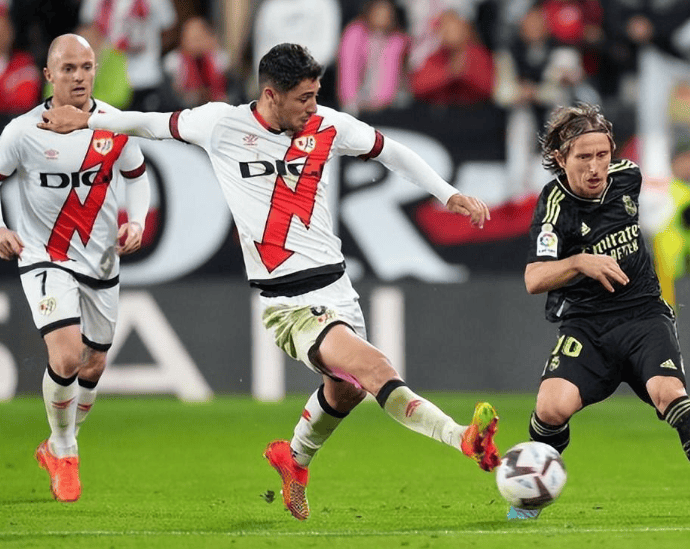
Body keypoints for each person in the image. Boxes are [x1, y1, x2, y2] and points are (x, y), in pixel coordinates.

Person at [39, 42, 501, 520]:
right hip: (288, 302)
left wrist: (447, 194)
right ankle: (462, 438)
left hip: (338, 289)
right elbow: (149, 124)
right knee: (374, 367)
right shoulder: (221, 124)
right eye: (304, 98)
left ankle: (294, 460)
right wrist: (86, 120)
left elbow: (391, 151)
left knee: (346, 391)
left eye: (316, 95)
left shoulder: (327, 125)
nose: (313, 107)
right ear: (270, 95)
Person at [518, 103, 690, 520]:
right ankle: (529, 499)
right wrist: (580, 262)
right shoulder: (554, 206)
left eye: (602, 155)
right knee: (551, 408)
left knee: (671, 394)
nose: (596, 167)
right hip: (587, 326)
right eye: (584, 157)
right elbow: (534, 278)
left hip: (643, 315)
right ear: (560, 158)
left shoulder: (628, 177)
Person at [0, 34, 151, 502]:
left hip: (100, 259)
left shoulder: (113, 124)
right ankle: (65, 450)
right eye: (68, 68)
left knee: (94, 364)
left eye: (86, 66)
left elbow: (137, 176)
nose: (80, 76)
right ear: (49, 75)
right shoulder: (22, 132)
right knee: (66, 357)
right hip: (44, 257)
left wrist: (136, 220)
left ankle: (56, 441)